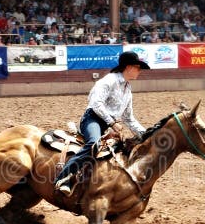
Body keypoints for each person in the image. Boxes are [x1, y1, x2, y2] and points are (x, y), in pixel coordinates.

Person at [54, 51, 150, 196]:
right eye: (138, 67)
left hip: (106, 125)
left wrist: (148, 135)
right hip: (92, 119)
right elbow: (96, 104)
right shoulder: (109, 81)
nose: (139, 70)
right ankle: (63, 178)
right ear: (128, 67)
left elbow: (129, 119)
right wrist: (112, 123)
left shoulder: (127, 90)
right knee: (94, 142)